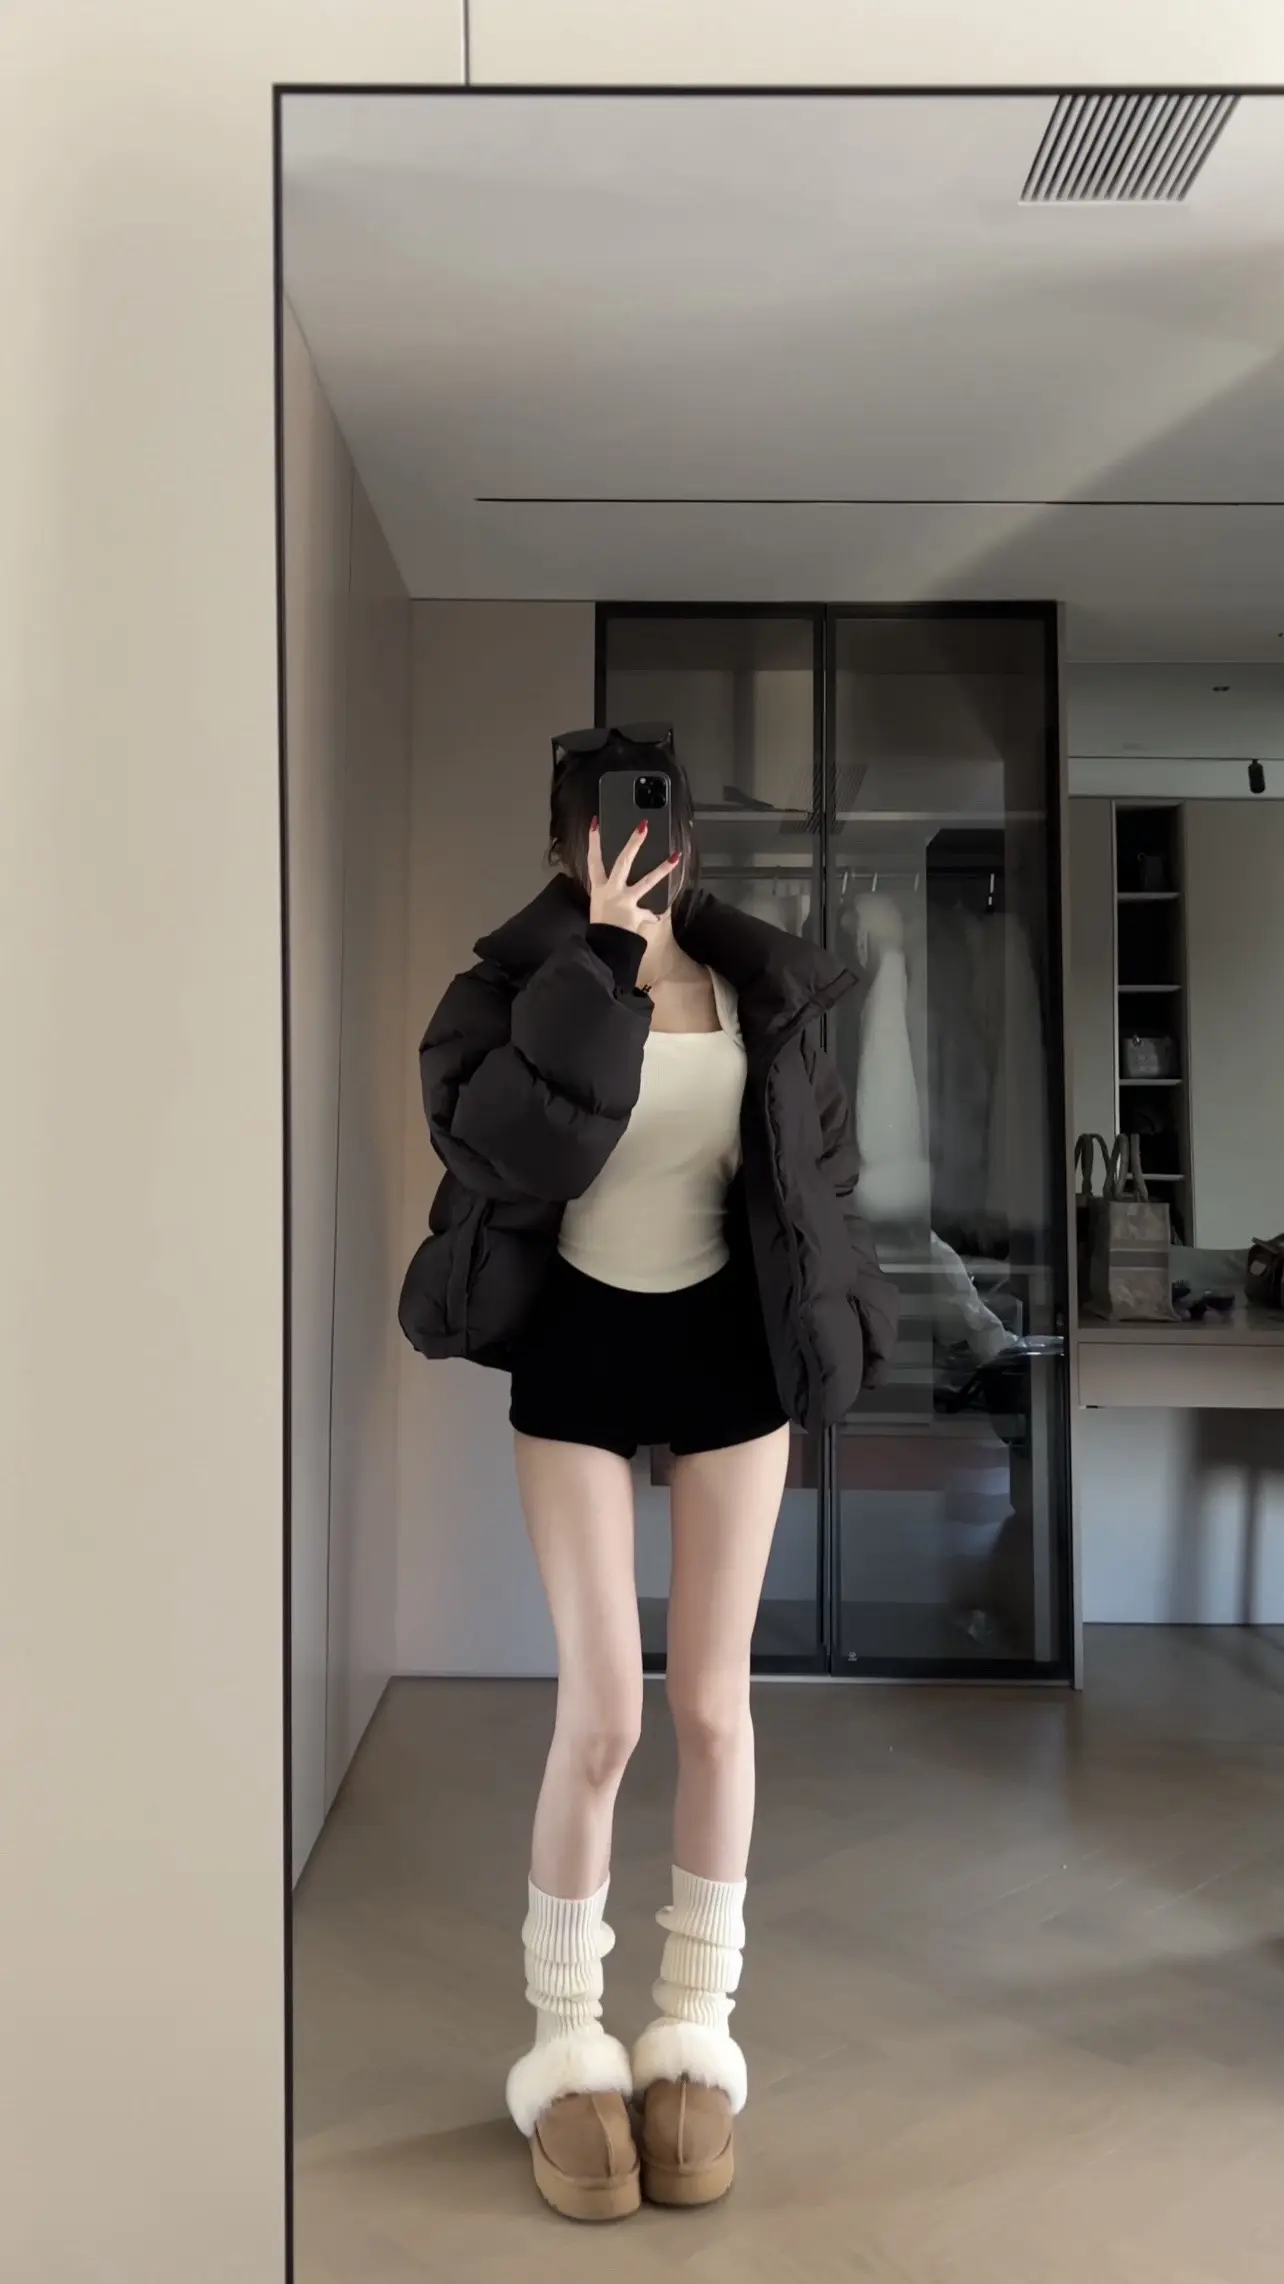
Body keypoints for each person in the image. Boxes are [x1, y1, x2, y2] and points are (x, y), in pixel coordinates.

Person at [400, 726, 897, 2222]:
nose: (638, 848)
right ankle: (568, 2047)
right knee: (605, 1716)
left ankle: (693, 2039)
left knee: (714, 1709)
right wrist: (603, 963)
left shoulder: (768, 988)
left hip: (727, 1357)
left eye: (659, 824)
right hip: (579, 1356)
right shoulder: (510, 992)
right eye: (607, 829)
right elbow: (507, 1152)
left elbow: (822, 1175)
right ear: (565, 848)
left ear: (689, 837)